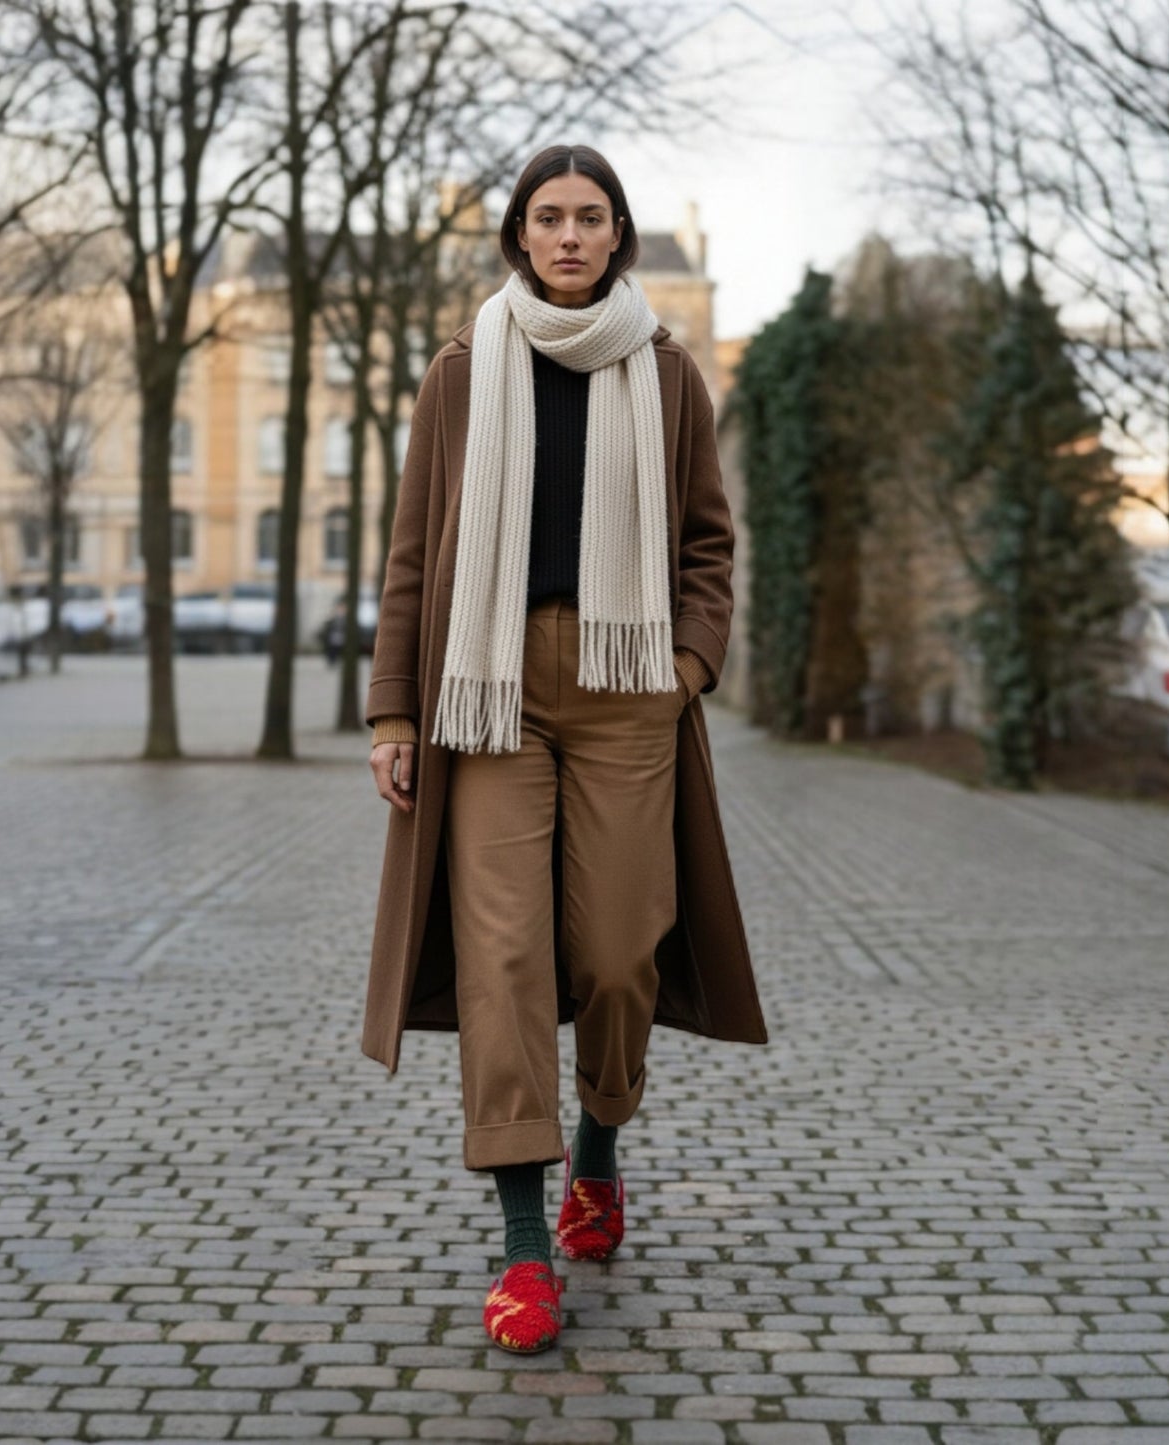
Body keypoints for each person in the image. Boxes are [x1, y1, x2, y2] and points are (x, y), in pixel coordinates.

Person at [362, 144, 768, 1355]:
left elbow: (707, 543)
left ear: (620, 234)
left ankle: (600, 1130)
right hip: (484, 692)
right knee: (501, 958)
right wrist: (392, 710)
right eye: (549, 217)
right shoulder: (457, 374)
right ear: (518, 238)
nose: (571, 236)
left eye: (592, 217)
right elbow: (412, 561)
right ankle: (523, 1239)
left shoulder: (668, 373)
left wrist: (686, 668)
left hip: (623, 685)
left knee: (616, 952)